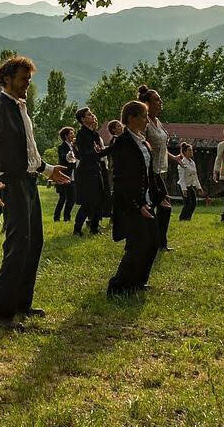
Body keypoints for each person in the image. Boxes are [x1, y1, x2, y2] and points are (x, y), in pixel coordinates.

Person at [0, 55, 71, 330]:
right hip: (12, 183)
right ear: (7, 79)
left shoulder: (21, 108)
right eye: (23, 80)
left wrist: (47, 170)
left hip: (29, 183)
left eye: (29, 81)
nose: (27, 86)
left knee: (34, 243)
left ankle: (22, 303)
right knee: (18, 244)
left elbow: (27, 152)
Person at [106, 100, 163, 297]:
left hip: (145, 199)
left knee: (153, 241)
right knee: (138, 244)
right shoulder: (123, 143)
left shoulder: (142, 141)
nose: (147, 120)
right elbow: (122, 178)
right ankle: (118, 286)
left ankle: (138, 281)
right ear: (131, 118)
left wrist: (159, 195)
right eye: (144, 116)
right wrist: (137, 205)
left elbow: (149, 174)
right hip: (130, 202)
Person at [139, 86, 177, 249]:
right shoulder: (144, 122)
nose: (161, 102)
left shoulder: (157, 122)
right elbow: (140, 147)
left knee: (158, 206)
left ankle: (156, 241)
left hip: (158, 170)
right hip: (147, 172)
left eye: (160, 99)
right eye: (157, 100)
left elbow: (161, 146)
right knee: (162, 205)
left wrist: (174, 157)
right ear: (146, 103)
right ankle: (152, 241)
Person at [72, 107, 108, 235]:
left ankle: (94, 227)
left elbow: (99, 151)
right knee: (88, 202)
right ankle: (77, 229)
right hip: (86, 171)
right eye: (89, 115)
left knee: (99, 199)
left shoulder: (94, 134)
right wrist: (103, 151)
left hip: (96, 168)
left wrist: (102, 151)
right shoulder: (81, 135)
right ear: (83, 119)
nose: (92, 116)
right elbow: (87, 154)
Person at [175, 143, 205, 221]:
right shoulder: (182, 163)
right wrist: (183, 189)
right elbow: (181, 178)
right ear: (184, 152)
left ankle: (188, 218)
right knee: (187, 203)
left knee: (193, 203)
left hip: (190, 185)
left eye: (192, 150)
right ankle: (182, 218)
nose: (191, 152)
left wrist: (199, 187)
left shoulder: (192, 162)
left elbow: (195, 176)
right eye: (189, 150)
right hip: (183, 185)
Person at [53, 126, 77, 222]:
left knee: (72, 198)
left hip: (73, 175)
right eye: (71, 133)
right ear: (66, 136)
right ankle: (56, 217)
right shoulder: (61, 147)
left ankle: (67, 217)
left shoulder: (74, 146)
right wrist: (70, 154)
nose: (73, 135)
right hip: (63, 175)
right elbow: (63, 157)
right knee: (63, 198)